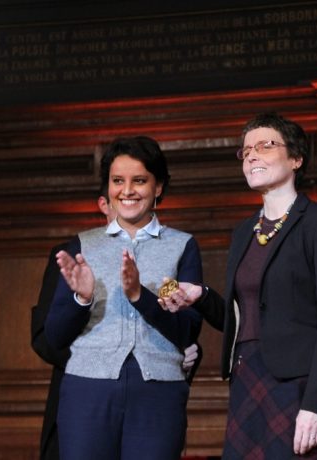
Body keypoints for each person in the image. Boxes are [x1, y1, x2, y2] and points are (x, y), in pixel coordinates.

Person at [158, 112, 317, 459]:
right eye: (246, 149)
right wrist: (200, 296)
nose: (251, 155)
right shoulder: (244, 231)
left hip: (297, 385)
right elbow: (239, 320)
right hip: (247, 379)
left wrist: (316, 404)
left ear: (296, 158)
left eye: (265, 145)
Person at [44, 136, 203, 460]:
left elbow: (186, 330)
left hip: (158, 392)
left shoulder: (180, 247)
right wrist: (82, 298)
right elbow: (54, 337)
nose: (127, 190)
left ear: (158, 187)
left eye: (139, 180)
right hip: (87, 392)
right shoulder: (81, 247)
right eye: (118, 181)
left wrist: (140, 295)